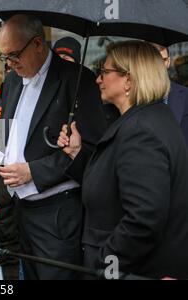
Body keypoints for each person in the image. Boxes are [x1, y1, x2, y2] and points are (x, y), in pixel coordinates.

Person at [0, 14, 107, 280]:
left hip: (57, 214)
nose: (10, 63)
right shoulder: (14, 78)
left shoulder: (77, 79)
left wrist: (34, 172)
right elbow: (8, 126)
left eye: (14, 55)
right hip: (20, 211)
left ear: (38, 44)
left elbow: (93, 150)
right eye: (4, 57)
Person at [58, 40, 188, 279]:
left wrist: (105, 261)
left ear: (128, 80)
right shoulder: (145, 118)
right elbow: (112, 180)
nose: (98, 79)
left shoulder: (142, 130)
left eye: (105, 72)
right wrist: (77, 153)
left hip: (134, 270)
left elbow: (144, 219)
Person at [152, 43, 188, 147]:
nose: (158, 65)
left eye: (162, 60)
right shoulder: (133, 94)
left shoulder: (185, 95)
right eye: (154, 60)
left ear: (168, 62)